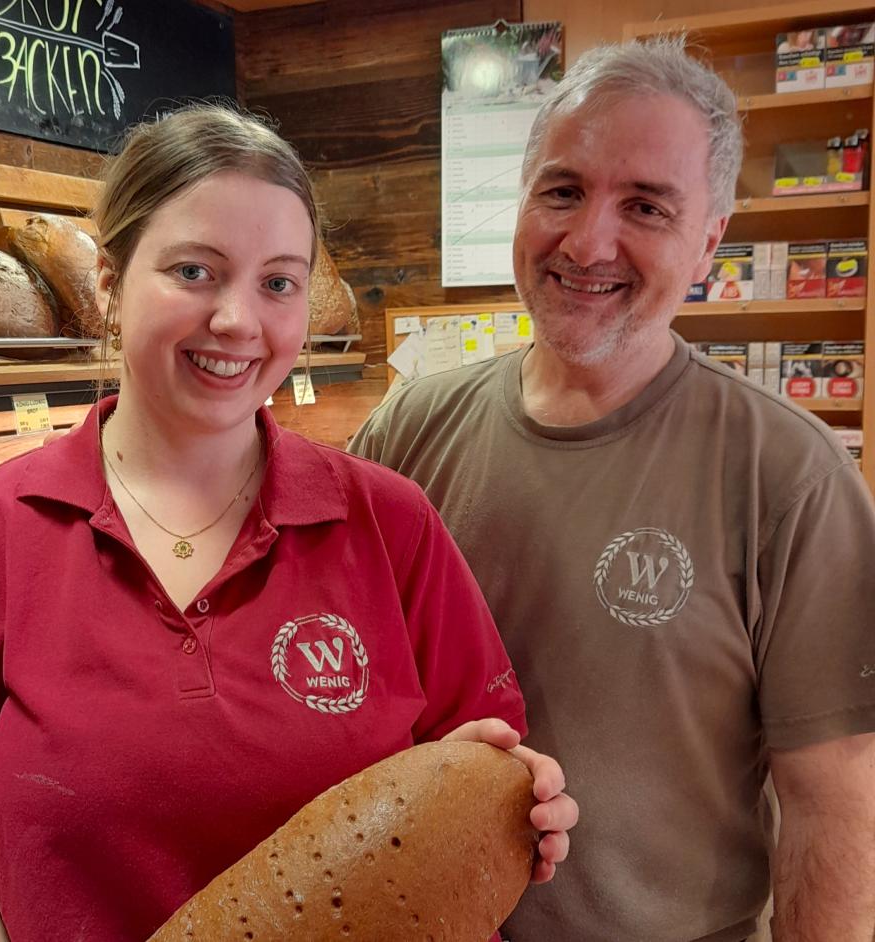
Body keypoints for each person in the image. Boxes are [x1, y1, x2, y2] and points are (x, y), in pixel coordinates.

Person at [0, 104, 577, 941]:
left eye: (278, 282)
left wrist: (522, 796)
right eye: (195, 271)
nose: (238, 320)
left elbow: (474, 798)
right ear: (110, 285)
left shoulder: (390, 524)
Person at [350, 37, 875, 942]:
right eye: (563, 190)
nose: (588, 240)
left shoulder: (790, 475)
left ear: (710, 241)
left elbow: (833, 807)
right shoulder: (405, 434)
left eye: (645, 206)